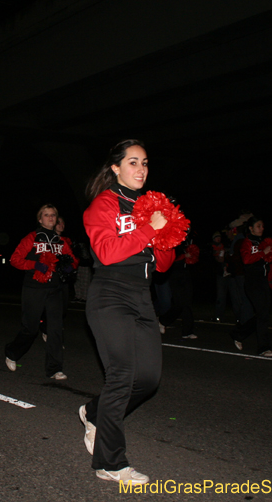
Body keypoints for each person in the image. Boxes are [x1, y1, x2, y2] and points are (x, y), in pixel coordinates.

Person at [78, 139, 175, 485]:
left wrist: (166, 237)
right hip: (110, 294)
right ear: (115, 168)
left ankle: (93, 411)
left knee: (147, 380)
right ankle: (110, 463)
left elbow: (162, 265)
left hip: (142, 296)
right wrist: (151, 229)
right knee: (122, 375)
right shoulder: (104, 204)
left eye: (145, 163)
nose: (141, 169)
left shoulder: (153, 205)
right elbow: (105, 252)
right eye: (132, 162)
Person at [5, 204, 75, 379]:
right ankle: (12, 352)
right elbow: (15, 260)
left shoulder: (61, 242)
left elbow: (72, 261)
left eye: (53, 215)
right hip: (34, 288)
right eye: (46, 215)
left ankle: (54, 368)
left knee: (56, 329)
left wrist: (68, 267)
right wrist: (34, 264)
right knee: (30, 328)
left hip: (55, 289)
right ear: (40, 219)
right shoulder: (32, 237)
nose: (51, 218)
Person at [231, 217, 272, 357]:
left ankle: (238, 333)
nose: (262, 228)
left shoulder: (263, 242)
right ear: (251, 228)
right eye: (258, 226)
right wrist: (263, 253)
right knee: (262, 315)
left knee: (264, 314)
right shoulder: (247, 242)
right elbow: (246, 260)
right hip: (252, 282)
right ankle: (263, 347)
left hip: (263, 281)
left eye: (262, 226)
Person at [211, 231, 227, 322]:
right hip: (218, 273)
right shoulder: (213, 247)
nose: (218, 239)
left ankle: (220, 315)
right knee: (220, 295)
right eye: (217, 237)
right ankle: (218, 315)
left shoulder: (222, 245)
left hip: (223, 271)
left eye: (219, 237)